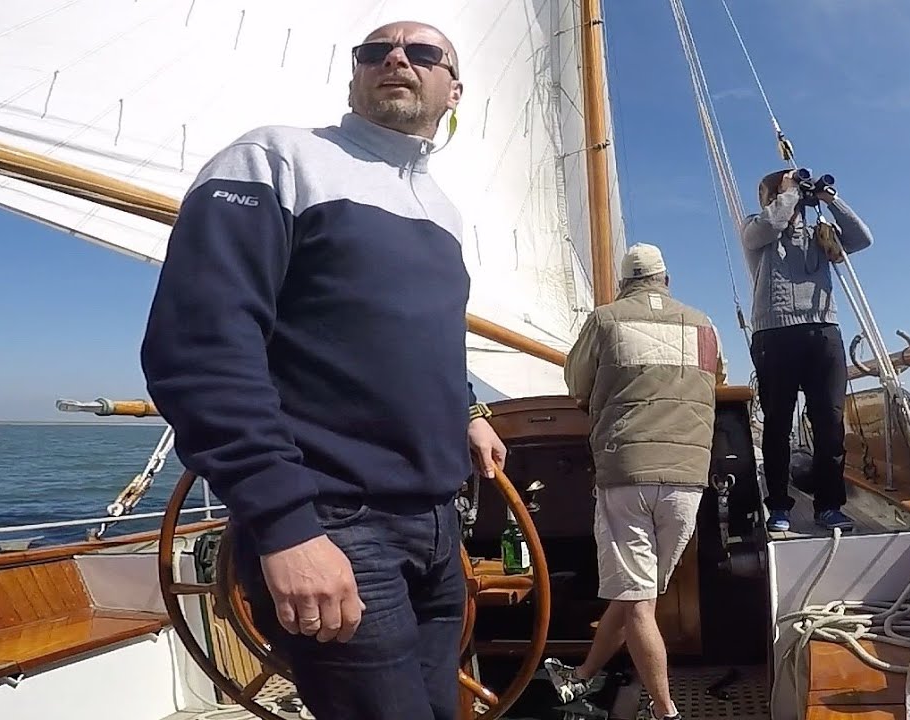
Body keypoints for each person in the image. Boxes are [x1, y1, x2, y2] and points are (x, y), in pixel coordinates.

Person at [140, 20, 507, 720]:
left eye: (423, 53)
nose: (396, 58)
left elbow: (409, 345)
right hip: (333, 521)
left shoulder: (444, 212)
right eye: (377, 51)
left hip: (435, 527)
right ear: (355, 77)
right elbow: (198, 347)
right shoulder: (275, 158)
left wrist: (468, 412)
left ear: (453, 89)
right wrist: (286, 527)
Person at [544, 243, 726, 720]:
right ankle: (581, 677)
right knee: (637, 595)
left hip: (626, 475)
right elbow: (715, 380)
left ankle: (665, 712)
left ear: (625, 283)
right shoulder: (705, 325)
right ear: (666, 279)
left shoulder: (605, 320)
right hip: (688, 480)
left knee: (637, 602)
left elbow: (578, 385)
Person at [740, 168, 874, 533]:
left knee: (830, 423)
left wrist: (830, 200)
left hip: (823, 329)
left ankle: (829, 505)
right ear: (772, 193)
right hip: (775, 334)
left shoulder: (819, 233)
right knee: (778, 423)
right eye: (787, 185)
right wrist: (789, 192)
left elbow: (862, 239)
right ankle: (779, 506)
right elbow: (769, 227)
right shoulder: (755, 226)